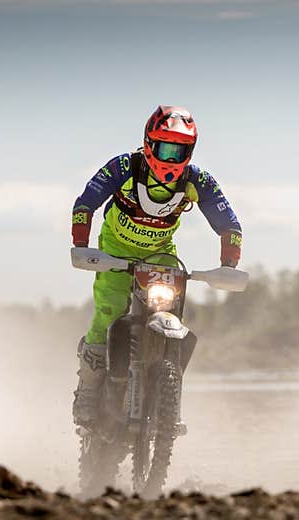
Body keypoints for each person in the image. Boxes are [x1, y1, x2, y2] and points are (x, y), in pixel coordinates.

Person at [70, 105, 242, 427]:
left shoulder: (198, 180)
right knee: (108, 311)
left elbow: (229, 224)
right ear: (149, 143)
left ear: (190, 151)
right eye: (165, 148)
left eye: (180, 150)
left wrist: (228, 263)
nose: (171, 158)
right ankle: (89, 391)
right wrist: (82, 245)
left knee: (172, 312)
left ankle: (165, 382)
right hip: (115, 251)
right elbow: (86, 203)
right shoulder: (124, 166)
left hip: (161, 255)